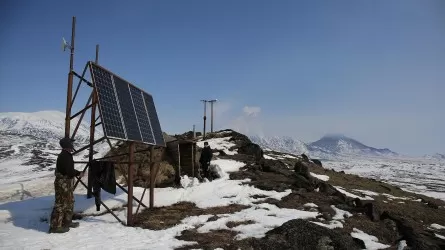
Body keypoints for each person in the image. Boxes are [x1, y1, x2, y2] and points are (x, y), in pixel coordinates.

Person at [49, 137, 84, 233]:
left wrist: (76, 173)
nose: (73, 145)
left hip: (66, 183)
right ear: (68, 145)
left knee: (69, 202)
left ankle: (67, 222)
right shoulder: (65, 156)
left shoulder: (66, 155)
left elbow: (68, 170)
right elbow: (69, 171)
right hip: (62, 184)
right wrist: (78, 173)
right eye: (71, 143)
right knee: (60, 204)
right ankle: (55, 226)